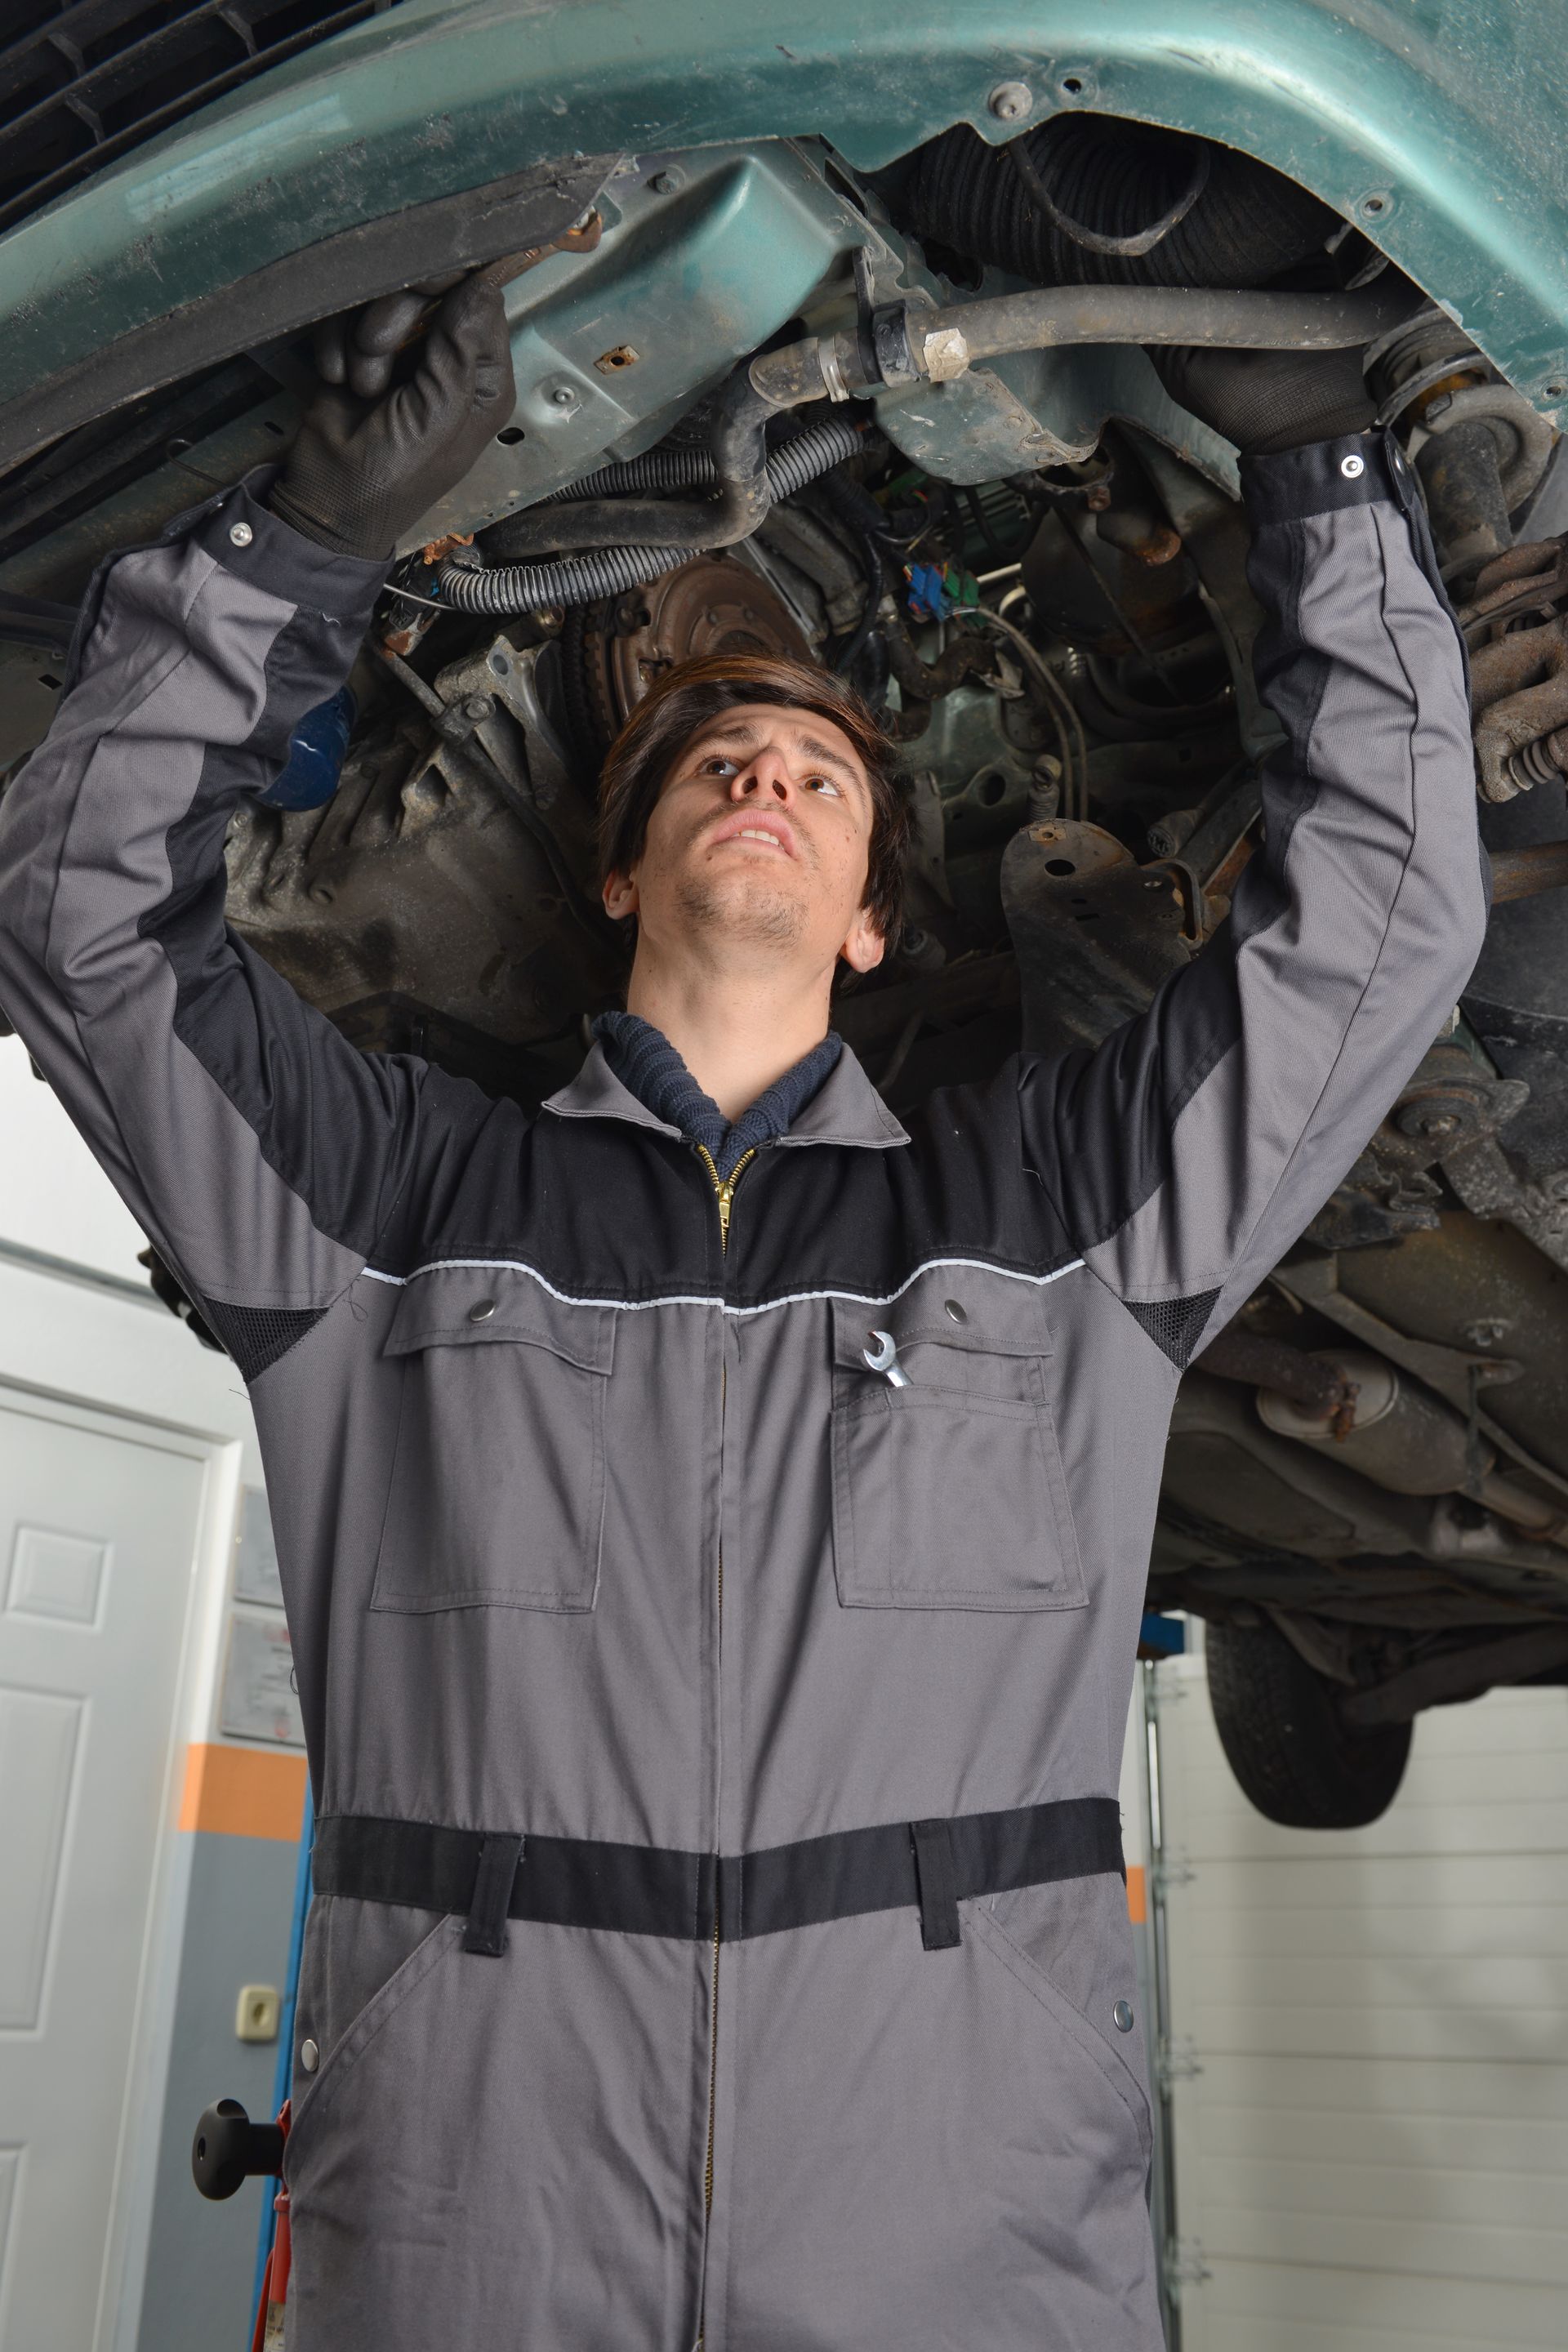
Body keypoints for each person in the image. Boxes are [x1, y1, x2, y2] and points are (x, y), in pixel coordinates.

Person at [0, 273, 1485, 2350]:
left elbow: (1387, 923)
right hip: (468, 2263)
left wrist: (1325, 465)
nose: (767, 775)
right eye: (716, 756)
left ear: (878, 913)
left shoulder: (1052, 1223)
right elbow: (77, 913)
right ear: (619, 872)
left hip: (966, 2269)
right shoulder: (392, 1215)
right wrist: (299, 545)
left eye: (817, 768)